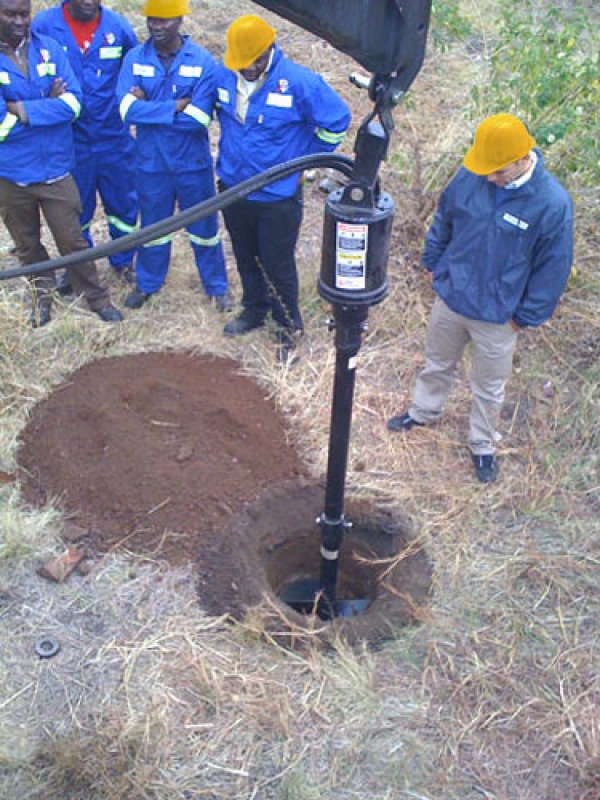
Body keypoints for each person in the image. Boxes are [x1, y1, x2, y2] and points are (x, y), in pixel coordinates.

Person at [387, 113, 573, 483]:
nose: (490, 178)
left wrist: (524, 317)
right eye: (486, 170)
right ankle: (423, 412)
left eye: (498, 172)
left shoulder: (552, 204)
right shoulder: (472, 174)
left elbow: (553, 268)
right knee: (437, 363)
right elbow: (445, 219)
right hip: (451, 298)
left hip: (498, 317)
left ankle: (482, 444)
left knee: (488, 386)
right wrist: (433, 264)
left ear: (523, 160)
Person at [214, 14, 351, 362]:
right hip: (233, 187)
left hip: (276, 197)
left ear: (267, 53)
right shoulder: (223, 74)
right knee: (245, 255)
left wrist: (304, 162)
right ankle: (254, 310)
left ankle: (287, 327)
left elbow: (336, 121)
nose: (245, 69)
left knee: (276, 263)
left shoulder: (299, 83)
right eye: (240, 64)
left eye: (252, 63)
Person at [0, 0, 122, 326]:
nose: (18, 21)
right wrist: (46, 105)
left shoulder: (49, 48)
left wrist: (20, 109)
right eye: (9, 14)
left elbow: (73, 104)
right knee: (28, 246)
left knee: (73, 240)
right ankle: (43, 297)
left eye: (23, 14)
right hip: (11, 174)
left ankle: (96, 298)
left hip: (55, 167)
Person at [116, 0, 229, 312]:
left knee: (204, 229)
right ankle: (148, 283)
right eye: (152, 19)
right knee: (152, 228)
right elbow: (125, 111)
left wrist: (147, 106)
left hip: (192, 164)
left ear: (180, 20)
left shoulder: (203, 61)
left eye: (164, 20)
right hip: (150, 163)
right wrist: (174, 106)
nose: (156, 26)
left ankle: (217, 287)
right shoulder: (135, 58)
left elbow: (199, 119)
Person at [32, 0, 139, 288]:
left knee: (123, 204)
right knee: (75, 208)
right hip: (70, 138)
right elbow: (27, 69)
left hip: (113, 135)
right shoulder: (43, 26)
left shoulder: (117, 27)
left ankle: (124, 260)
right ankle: (78, 266)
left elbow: (136, 65)